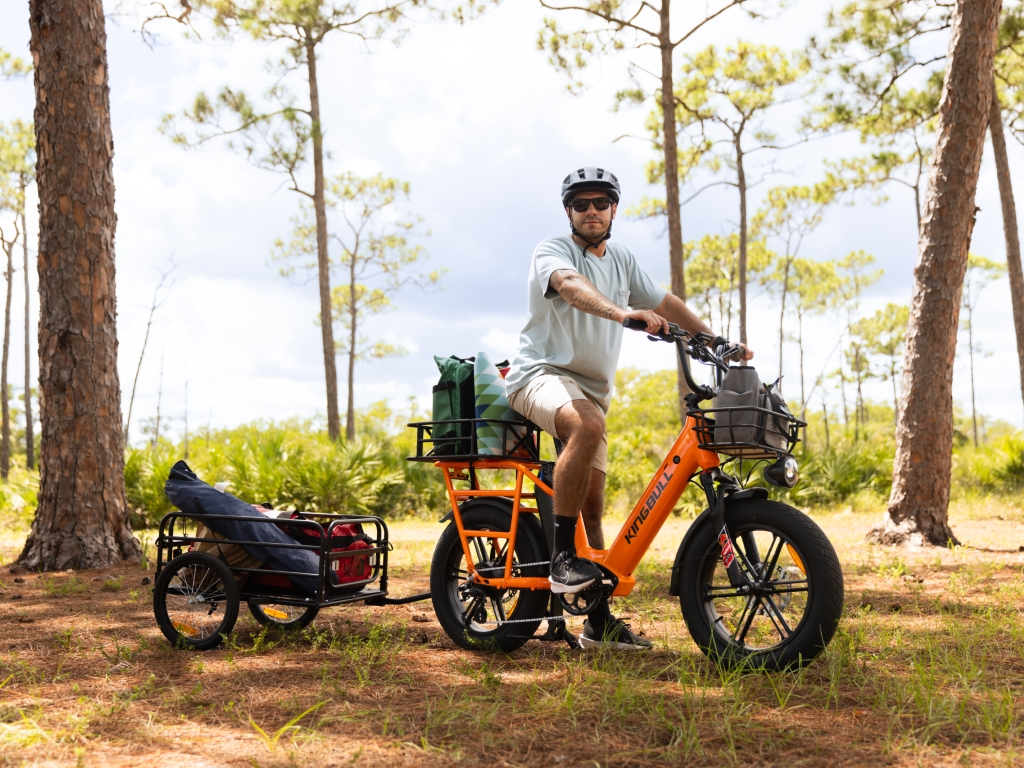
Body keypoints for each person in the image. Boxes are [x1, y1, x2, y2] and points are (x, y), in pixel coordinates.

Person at [505, 166, 753, 650]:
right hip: (538, 376)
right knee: (587, 426)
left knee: (593, 508)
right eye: (581, 204)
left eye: (601, 203)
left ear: (614, 209)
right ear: (569, 212)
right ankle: (561, 561)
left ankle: (596, 621)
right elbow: (571, 286)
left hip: (589, 392)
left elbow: (666, 302)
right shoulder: (552, 250)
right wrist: (623, 314)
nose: (591, 211)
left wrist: (714, 341)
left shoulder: (621, 259)